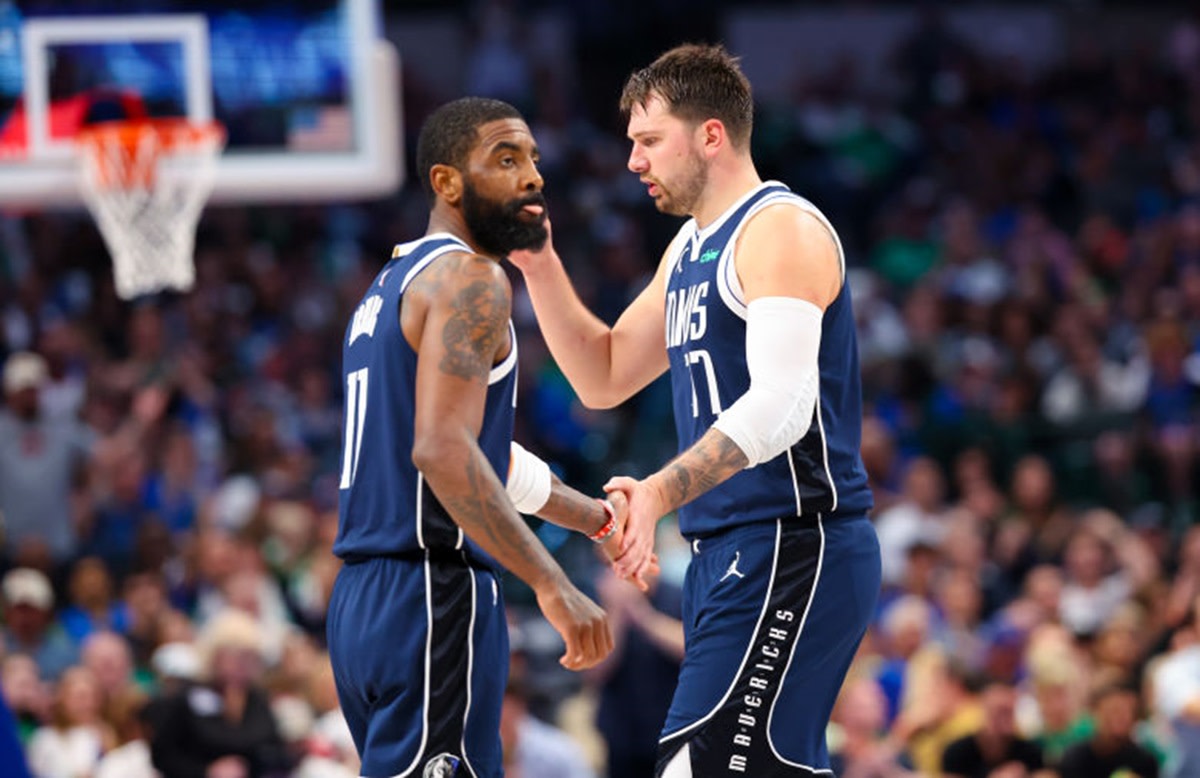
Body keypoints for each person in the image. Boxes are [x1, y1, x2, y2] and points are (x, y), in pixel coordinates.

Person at [508, 43, 882, 775]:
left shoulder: (779, 229)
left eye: (649, 141)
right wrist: (538, 262)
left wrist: (657, 491)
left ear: (711, 135)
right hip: (729, 553)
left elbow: (782, 406)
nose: (633, 162)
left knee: (701, 765)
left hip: (795, 544)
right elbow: (604, 375)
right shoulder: (689, 249)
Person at [327, 96, 626, 778]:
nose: (532, 178)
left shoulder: (387, 288)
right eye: (505, 158)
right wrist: (551, 583)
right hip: (432, 597)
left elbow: (479, 453)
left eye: (533, 161)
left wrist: (595, 521)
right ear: (446, 182)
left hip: (365, 607)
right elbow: (443, 451)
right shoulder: (473, 278)